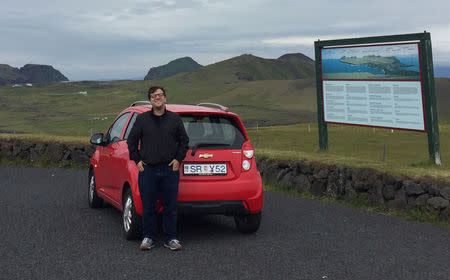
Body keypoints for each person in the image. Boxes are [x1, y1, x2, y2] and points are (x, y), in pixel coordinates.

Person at [127, 86, 189, 251]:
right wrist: (137, 161)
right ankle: (148, 238)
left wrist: (178, 159)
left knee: (170, 207)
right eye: (154, 96)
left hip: (170, 171)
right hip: (148, 170)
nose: (158, 98)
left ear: (165, 98)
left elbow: (184, 142)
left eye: (160, 95)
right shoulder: (142, 119)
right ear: (150, 100)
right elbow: (131, 142)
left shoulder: (175, 119)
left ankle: (171, 238)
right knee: (148, 206)